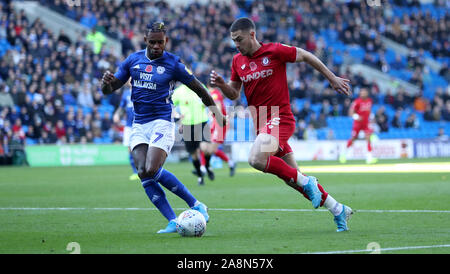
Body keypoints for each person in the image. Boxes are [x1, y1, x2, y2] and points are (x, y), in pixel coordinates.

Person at [210, 17, 353, 232]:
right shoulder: (237, 61)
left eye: (239, 39)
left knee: (256, 159)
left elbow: (305, 55)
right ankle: (337, 209)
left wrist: (332, 78)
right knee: (293, 178)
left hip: (280, 117)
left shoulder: (274, 51)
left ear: (252, 34)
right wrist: (222, 85)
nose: (236, 45)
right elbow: (234, 94)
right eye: (233, 41)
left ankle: (308, 182)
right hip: (260, 123)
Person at [101, 21, 225, 234]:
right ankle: (173, 221)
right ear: (145, 40)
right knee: (142, 172)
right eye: (153, 42)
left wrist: (216, 112)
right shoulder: (133, 60)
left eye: (161, 42)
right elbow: (109, 89)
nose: (157, 46)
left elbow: (198, 88)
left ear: (166, 41)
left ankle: (196, 204)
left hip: (162, 121)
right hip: (139, 123)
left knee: (151, 168)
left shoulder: (174, 64)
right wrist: (106, 82)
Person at [172, 83, 210, 185]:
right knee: (194, 154)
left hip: (202, 122)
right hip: (187, 125)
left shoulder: (200, 86)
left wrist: (206, 103)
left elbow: (208, 99)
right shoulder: (179, 91)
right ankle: (199, 175)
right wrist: (177, 116)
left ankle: (206, 167)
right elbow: (170, 105)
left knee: (204, 148)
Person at [199, 84, 236, 177]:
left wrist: (213, 115)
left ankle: (204, 168)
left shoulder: (214, 94)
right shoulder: (214, 93)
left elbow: (218, 106)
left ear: (207, 85)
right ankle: (204, 167)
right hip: (215, 124)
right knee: (206, 147)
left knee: (210, 149)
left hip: (219, 124)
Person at [339, 88, 377, 164]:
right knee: (353, 138)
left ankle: (369, 158)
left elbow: (369, 111)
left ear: (367, 93)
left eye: (364, 92)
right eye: (361, 92)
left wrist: (372, 117)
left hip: (366, 123)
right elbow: (350, 113)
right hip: (357, 124)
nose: (362, 93)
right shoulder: (357, 102)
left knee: (368, 138)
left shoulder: (370, 101)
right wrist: (357, 117)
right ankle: (343, 155)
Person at [113, 79, 139, 181]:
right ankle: (135, 172)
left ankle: (146, 170)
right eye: (129, 79)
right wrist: (116, 114)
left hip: (140, 124)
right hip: (129, 126)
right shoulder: (126, 94)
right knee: (129, 149)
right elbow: (121, 107)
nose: (130, 81)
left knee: (141, 148)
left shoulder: (142, 91)